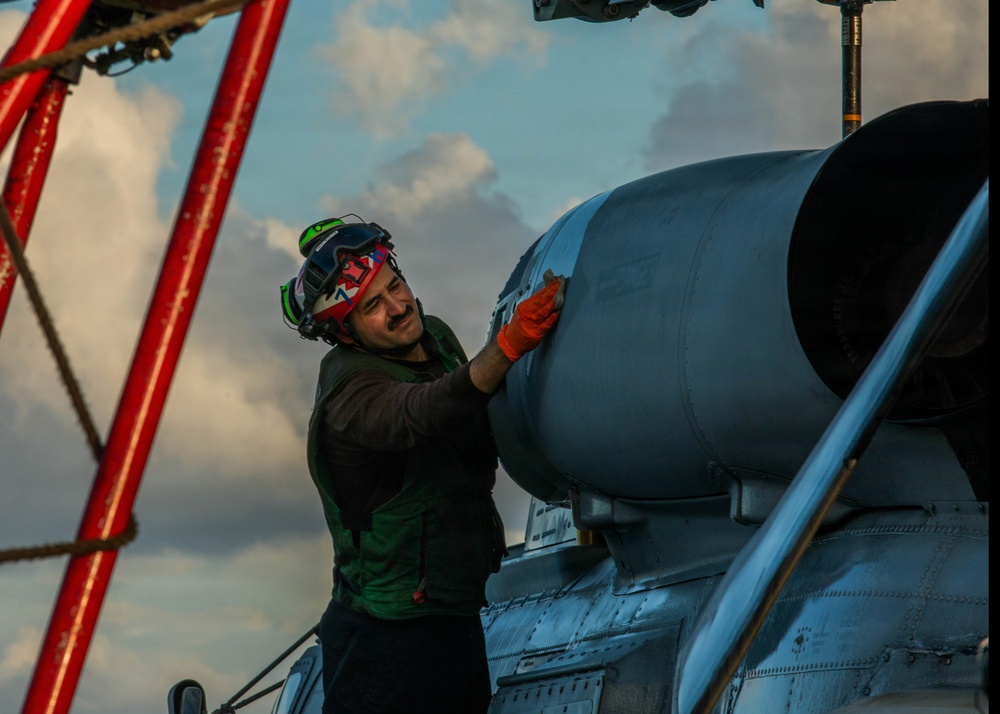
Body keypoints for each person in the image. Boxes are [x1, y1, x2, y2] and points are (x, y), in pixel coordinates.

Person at [279, 215, 566, 714]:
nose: (398, 307)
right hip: (386, 640)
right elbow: (423, 411)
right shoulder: (351, 396)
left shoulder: (435, 338)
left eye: (395, 285)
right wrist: (507, 346)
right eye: (372, 306)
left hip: (454, 613)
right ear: (344, 334)